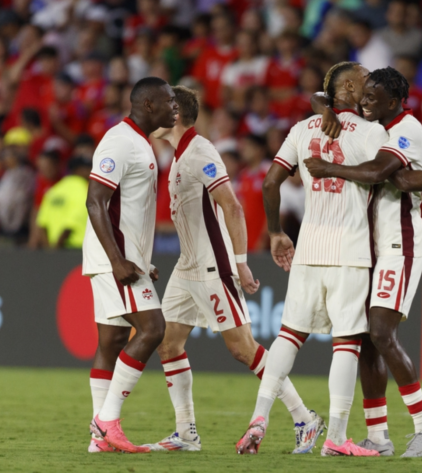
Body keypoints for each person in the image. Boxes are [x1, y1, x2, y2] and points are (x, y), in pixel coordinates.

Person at [307, 67, 422, 457]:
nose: (365, 101)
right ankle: (378, 436)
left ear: (394, 100)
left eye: (373, 96)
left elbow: (385, 175)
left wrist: (329, 168)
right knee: (368, 340)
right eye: (363, 94)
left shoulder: (408, 127)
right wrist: (326, 108)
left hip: (399, 241)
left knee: (381, 333)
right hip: (369, 244)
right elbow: (319, 97)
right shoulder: (375, 129)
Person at [146, 85, 324, 453]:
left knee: (243, 349)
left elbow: (232, 207)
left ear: (175, 114)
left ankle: (304, 417)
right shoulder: (179, 156)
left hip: (214, 265)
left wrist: (240, 264)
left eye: (162, 107)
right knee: (167, 344)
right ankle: (186, 433)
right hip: (187, 266)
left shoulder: (201, 152)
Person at [236, 62, 388, 458]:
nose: (371, 86)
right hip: (350, 249)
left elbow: (271, 182)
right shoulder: (373, 132)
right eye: (366, 80)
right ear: (351, 87)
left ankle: (259, 418)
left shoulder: (302, 129)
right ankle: (336, 436)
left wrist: (275, 232)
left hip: (308, 247)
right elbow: (382, 174)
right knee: (347, 342)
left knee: (288, 335)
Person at [84, 77, 178, 454]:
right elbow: (95, 202)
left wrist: (140, 259)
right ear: (149, 103)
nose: (176, 106)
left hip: (123, 258)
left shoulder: (141, 143)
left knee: (112, 341)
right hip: (112, 259)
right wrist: (118, 259)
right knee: (153, 328)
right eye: (170, 100)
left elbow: (129, 209)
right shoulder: (119, 141)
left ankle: (98, 439)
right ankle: (108, 421)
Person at [34, 157, 91, 249]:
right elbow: (72, 222)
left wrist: (49, 249)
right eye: (87, 168)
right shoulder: (84, 189)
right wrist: (57, 246)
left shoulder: (55, 189)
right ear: (77, 170)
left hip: (54, 248)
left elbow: (42, 222)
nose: (90, 171)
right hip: (75, 248)